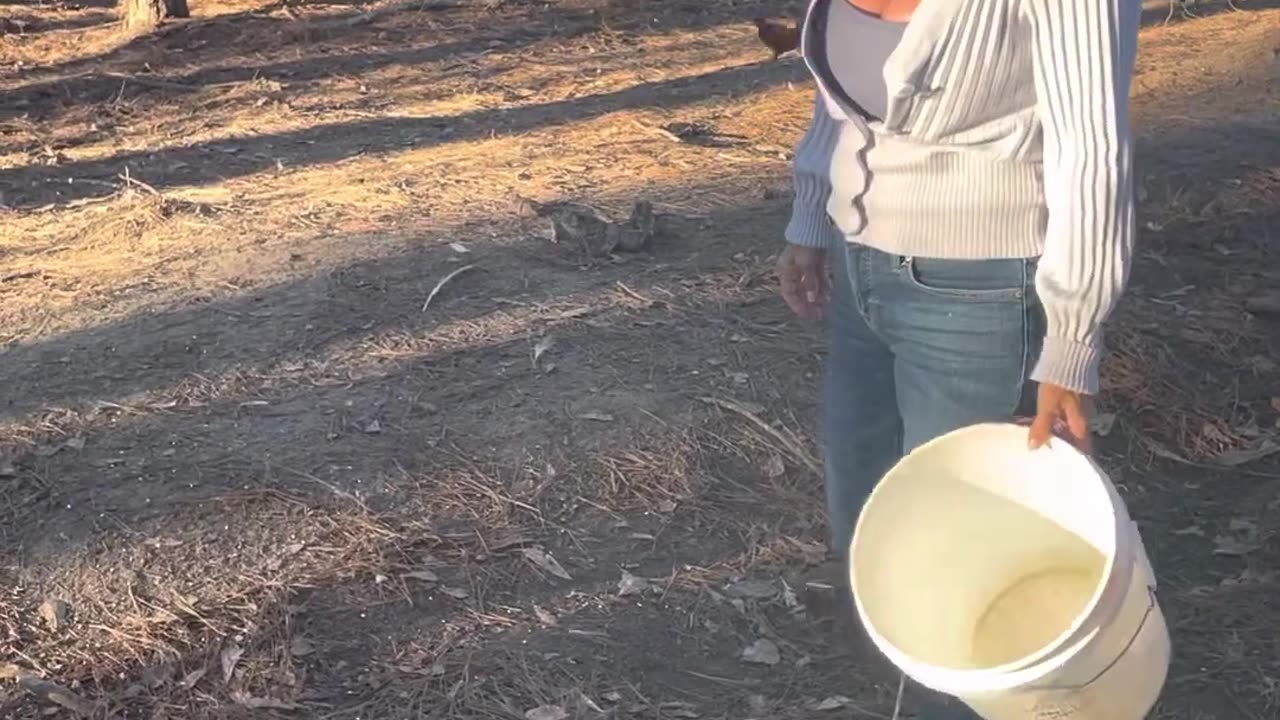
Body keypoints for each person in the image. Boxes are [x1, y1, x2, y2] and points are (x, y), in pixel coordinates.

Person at [776, 0, 1141, 716]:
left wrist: (1072, 337)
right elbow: (842, 101)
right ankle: (901, 666)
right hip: (860, 267)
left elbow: (1091, 146)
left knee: (960, 544)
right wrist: (812, 213)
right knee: (868, 504)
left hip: (978, 286)